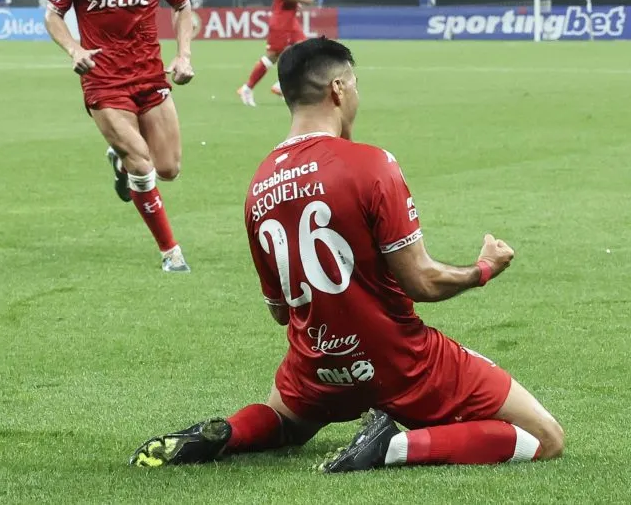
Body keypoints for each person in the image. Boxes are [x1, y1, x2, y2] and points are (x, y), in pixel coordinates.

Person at [130, 37, 564, 472]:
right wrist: (484, 268)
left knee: (283, 420)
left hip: (318, 367)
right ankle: (391, 447)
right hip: (399, 362)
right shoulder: (370, 164)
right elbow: (423, 281)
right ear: (338, 89)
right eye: (354, 86)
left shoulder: (258, 187)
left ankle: (228, 433)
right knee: (544, 437)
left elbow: (281, 312)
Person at [43, 0, 195, 273]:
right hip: (104, 79)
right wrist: (73, 49)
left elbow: (183, 6)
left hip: (149, 75)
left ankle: (118, 159)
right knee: (143, 167)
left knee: (169, 168)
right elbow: (53, 14)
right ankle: (170, 252)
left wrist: (184, 55)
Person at [237, 0, 315, 107]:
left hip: (288, 18)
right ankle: (248, 88)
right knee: (273, 56)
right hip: (282, 20)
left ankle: (281, 85)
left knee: (305, 51)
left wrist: (296, 3)